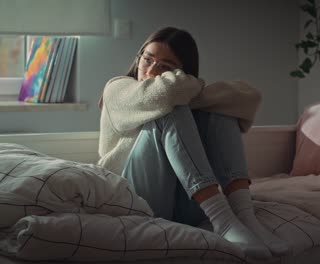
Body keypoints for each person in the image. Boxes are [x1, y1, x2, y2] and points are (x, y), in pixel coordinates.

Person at [97, 26, 289, 259]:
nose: (151, 71)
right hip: (137, 198)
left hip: (186, 201)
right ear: (138, 58)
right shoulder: (117, 88)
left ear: (183, 73)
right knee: (169, 110)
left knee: (219, 113)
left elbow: (248, 97)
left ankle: (244, 215)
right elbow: (165, 94)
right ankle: (224, 220)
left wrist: (189, 92)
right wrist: (188, 89)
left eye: (166, 66)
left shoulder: (180, 90)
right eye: (147, 59)